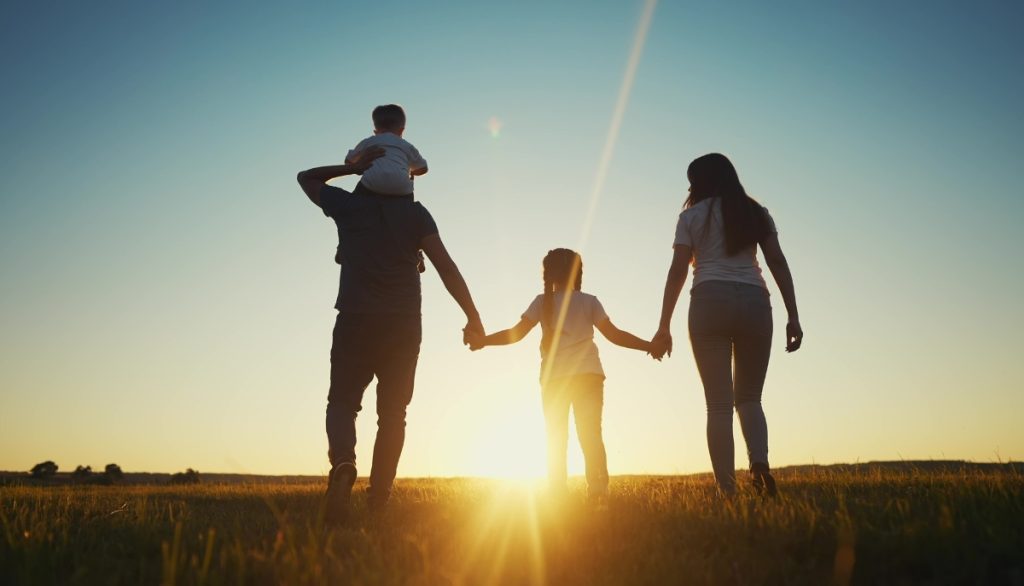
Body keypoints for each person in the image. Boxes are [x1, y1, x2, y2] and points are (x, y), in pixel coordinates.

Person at [296, 147, 483, 524]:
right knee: (393, 414)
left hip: (355, 319)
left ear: (368, 175)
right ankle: (379, 499)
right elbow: (445, 266)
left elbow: (307, 178)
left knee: (343, 403)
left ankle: (344, 464)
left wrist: (351, 169)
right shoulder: (416, 215)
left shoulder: (348, 207)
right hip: (402, 324)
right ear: (404, 177)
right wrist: (473, 316)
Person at [650, 153, 803, 497]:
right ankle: (759, 464)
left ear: (699, 182)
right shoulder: (755, 213)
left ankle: (727, 492)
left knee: (718, 404)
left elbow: (677, 271)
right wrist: (793, 314)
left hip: (709, 301)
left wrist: (664, 325)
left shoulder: (691, 216)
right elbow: (776, 261)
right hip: (754, 301)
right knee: (749, 398)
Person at [466, 248, 653, 503]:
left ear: (548, 274)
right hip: (589, 375)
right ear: (577, 272)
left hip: (554, 379)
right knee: (591, 435)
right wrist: (649, 346)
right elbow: (615, 335)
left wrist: (483, 341)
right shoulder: (589, 301)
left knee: (556, 437)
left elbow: (516, 333)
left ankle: (557, 495)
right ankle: (598, 493)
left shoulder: (542, 303)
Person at [337, 104, 429, 270]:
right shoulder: (406, 145)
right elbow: (423, 168)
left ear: (375, 130)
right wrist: (410, 171)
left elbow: (348, 162)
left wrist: (361, 162)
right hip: (401, 189)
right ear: (402, 130)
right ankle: (417, 251)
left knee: (351, 208)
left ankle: (343, 246)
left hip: (372, 184)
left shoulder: (369, 142)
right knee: (410, 215)